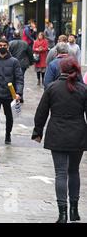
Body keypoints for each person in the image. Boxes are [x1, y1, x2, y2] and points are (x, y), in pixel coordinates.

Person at [32, 57, 87, 223]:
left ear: (61, 69)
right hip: (78, 133)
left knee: (60, 173)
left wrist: (38, 131)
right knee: (74, 171)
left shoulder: (52, 88)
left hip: (57, 133)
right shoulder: (83, 89)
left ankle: (62, 213)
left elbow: (41, 112)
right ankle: (74, 210)